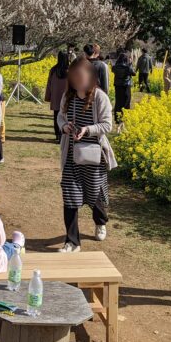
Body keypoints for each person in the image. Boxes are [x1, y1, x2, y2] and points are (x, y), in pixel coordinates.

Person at [57, 57, 117, 252]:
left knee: (94, 195)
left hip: (93, 156)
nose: (77, 81)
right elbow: (60, 118)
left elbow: (108, 125)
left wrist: (87, 130)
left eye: (80, 76)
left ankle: (101, 221)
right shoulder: (68, 96)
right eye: (73, 77)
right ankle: (72, 241)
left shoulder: (100, 97)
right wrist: (65, 126)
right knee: (70, 196)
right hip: (72, 156)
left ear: (91, 76)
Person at [44, 51, 70, 143]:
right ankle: (64, 134)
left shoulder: (53, 70)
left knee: (56, 116)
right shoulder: (70, 70)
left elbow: (49, 84)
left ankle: (57, 135)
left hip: (55, 97)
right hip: (67, 97)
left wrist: (48, 96)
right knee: (66, 116)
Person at [111, 52, 136, 123]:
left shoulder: (115, 67)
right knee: (126, 102)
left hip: (117, 86)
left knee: (118, 102)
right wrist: (131, 64)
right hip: (126, 86)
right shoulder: (127, 67)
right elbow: (134, 73)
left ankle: (117, 118)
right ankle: (125, 117)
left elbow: (113, 70)